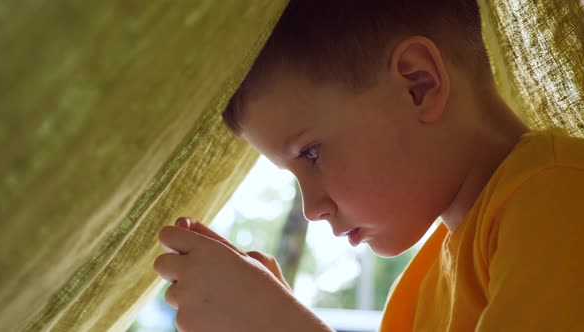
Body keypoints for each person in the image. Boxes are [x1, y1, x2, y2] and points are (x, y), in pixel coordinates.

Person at [153, 1, 584, 331]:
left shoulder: (560, 200)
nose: (311, 208)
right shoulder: (419, 287)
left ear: (419, 85)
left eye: (312, 153)